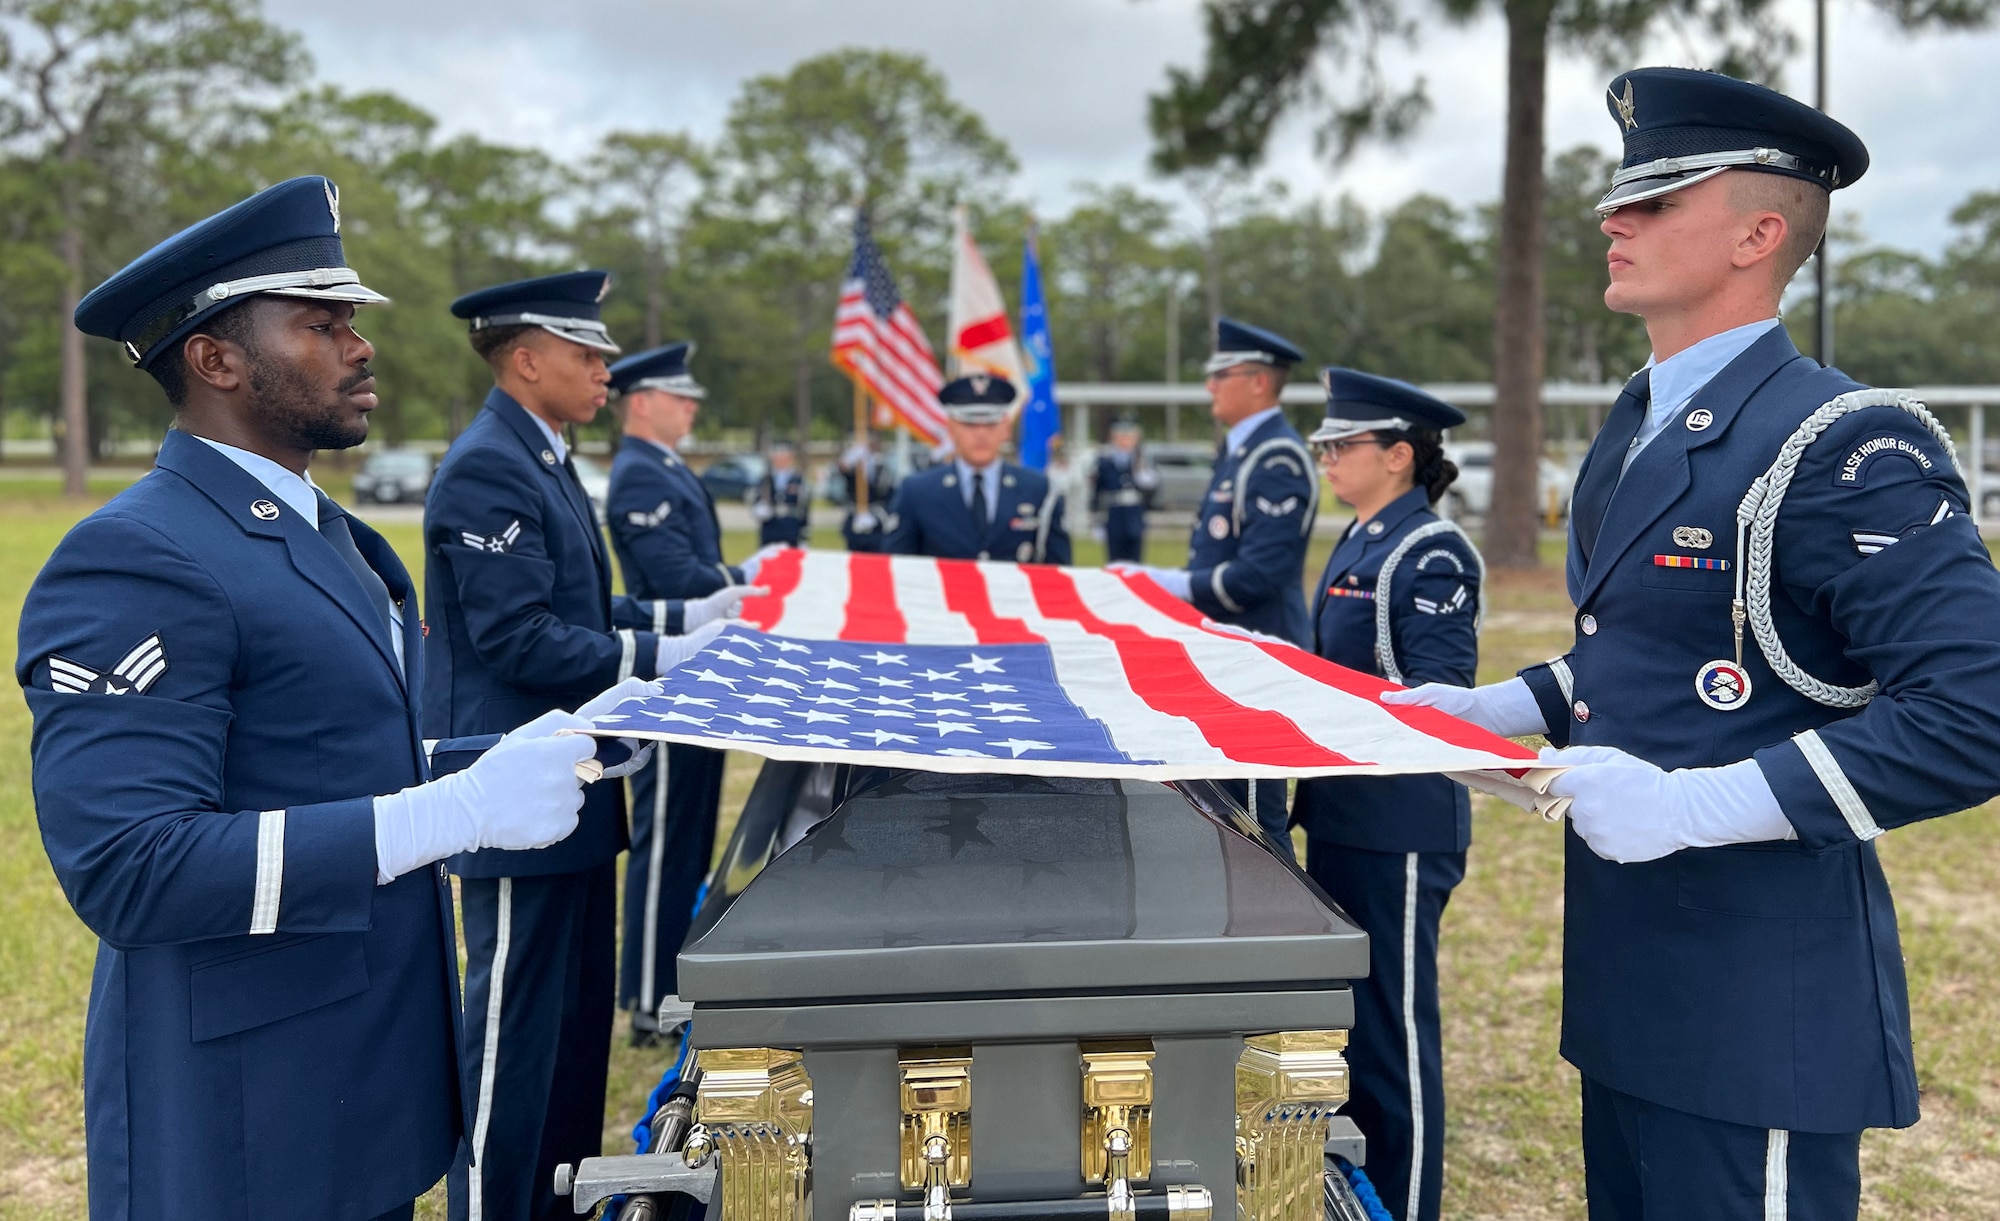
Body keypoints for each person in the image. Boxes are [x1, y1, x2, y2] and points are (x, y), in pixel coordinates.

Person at [1387, 69, 2000, 1220]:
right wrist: (1504, 709)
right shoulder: (1635, 422)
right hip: (1628, 976)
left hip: (1753, 992)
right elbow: (1656, 648)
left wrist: (1689, 807)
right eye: (1621, 196)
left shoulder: (1841, 439)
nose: (1613, 218)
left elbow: (1974, 715)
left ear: (1757, 233)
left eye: (1658, 199)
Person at [23, 176, 629, 1221]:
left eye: (350, 320)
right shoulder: (138, 553)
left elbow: (327, 754)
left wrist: (522, 756)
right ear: (214, 358)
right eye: (320, 322)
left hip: (362, 1074)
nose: (360, 346)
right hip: (250, 1112)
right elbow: (131, 868)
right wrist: (457, 814)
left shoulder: (322, 534)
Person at [424, 275, 748, 1221]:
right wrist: (662, 655)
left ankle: (554, 1203)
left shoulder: (544, 457)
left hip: (571, 785)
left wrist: (684, 615)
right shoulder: (490, 465)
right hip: (517, 791)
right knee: (510, 1039)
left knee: (570, 1038)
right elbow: (519, 637)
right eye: (586, 356)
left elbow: (578, 604)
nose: (606, 372)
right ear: (526, 360)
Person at [1291, 370, 1479, 1221]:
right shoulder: (1361, 537)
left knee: (1395, 1039)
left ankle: (1404, 1206)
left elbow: (1439, 696)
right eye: (1324, 445)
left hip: (1398, 822)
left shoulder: (1428, 550)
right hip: (1342, 813)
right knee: (1356, 1032)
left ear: (1398, 455)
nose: (1326, 459)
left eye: (1342, 445)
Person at [603, 341, 771, 1043]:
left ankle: (668, 983)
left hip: (697, 673)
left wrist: (741, 574)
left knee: (691, 835)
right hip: (669, 671)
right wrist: (742, 582)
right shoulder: (641, 474)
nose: (692, 406)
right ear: (642, 401)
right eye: (680, 396)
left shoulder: (662, 467)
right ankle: (648, 999)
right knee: (668, 839)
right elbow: (674, 576)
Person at [1114, 318, 1317, 847]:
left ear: (1257, 381)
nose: (1210, 386)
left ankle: (1277, 925)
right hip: (1226, 655)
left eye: (1220, 374)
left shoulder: (1276, 456)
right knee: (1223, 813)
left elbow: (1260, 575)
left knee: (1253, 818)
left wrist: (1169, 584)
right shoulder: (1243, 451)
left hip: (1256, 658)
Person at [884, 373, 1072, 563]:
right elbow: (897, 572)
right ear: (951, 428)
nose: (981, 434)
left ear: (1006, 428)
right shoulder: (917, 492)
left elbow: (1058, 572)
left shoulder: (1039, 490)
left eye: (990, 424)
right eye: (969, 424)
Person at [1092, 418, 1158, 563]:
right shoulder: (1105, 461)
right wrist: (1097, 520)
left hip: (1134, 514)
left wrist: (1140, 470)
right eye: (1121, 437)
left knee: (1135, 560)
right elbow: (1098, 491)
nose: (1125, 441)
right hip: (1114, 514)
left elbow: (1152, 488)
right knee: (1115, 559)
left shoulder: (1142, 460)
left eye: (1129, 437)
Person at [839, 433, 896, 551]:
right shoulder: (854, 469)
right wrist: (852, 456)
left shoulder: (882, 467)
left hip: (876, 521)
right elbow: (843, 469)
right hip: (855, 520)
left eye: (873, 444)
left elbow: (885, 491)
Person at [752, 440, 811, 547]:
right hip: (771, 528)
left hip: (791, 528)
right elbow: (757, 500)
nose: (781, 460)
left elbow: (804, 508)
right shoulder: (766, 480)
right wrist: (759, 509)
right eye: (778, 457)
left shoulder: (798, 480)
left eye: (784, 457)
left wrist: (804, 536)